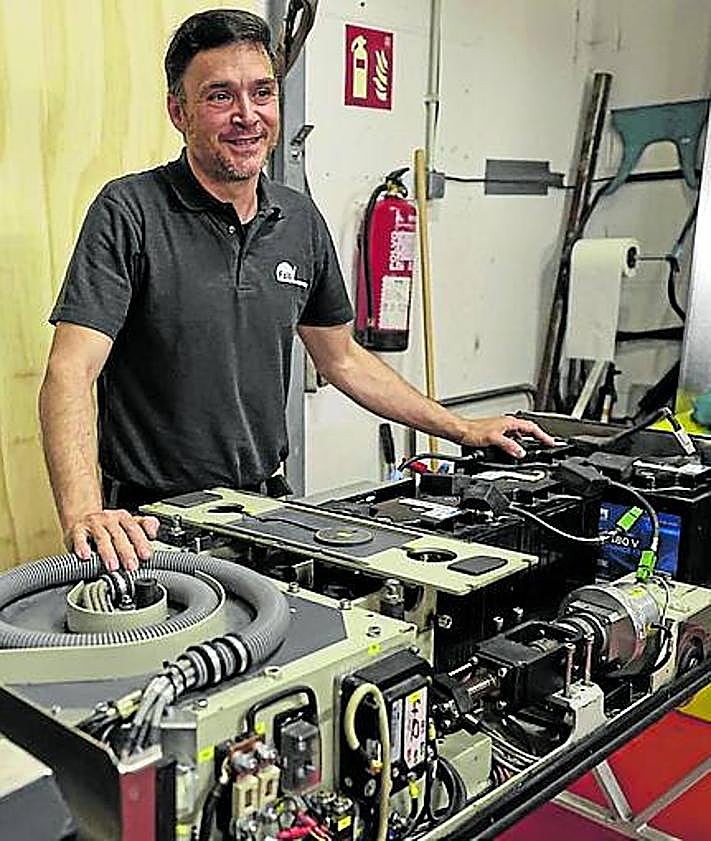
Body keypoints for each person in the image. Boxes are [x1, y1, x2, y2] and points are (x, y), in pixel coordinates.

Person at [39, 9, 553, 572]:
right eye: (219, 97)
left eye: (262, 93)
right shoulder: (129, 212)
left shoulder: (299, 220)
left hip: (266, 510)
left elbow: (344, 360)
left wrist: (461, 429)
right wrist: (86, 512)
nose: (247, 116)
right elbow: (71, 371)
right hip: (155, 525)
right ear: (178, 112)